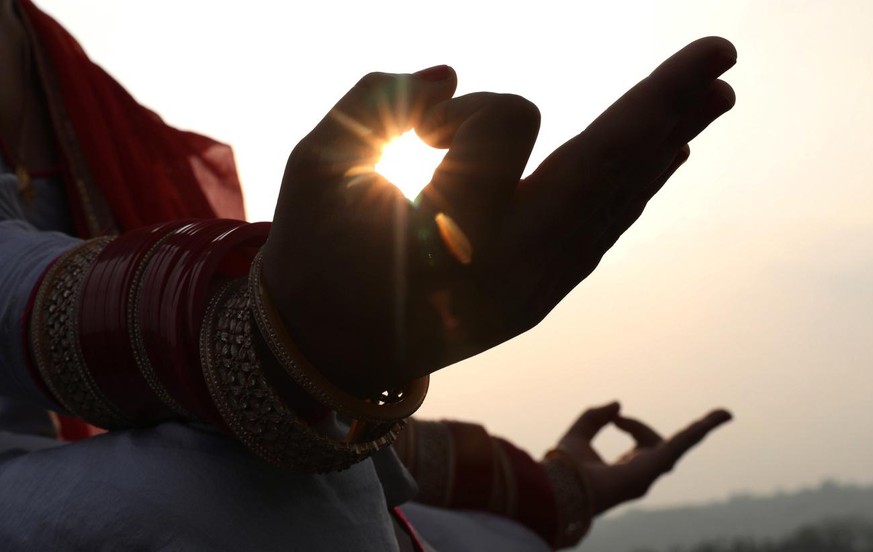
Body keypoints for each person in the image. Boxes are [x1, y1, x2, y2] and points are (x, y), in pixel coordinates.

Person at [0, 0, 737, 549]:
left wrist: (549, 489)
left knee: (492, 542)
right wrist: (257, 327)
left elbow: (306, 403)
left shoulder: (70, 85)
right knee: (218, 500)